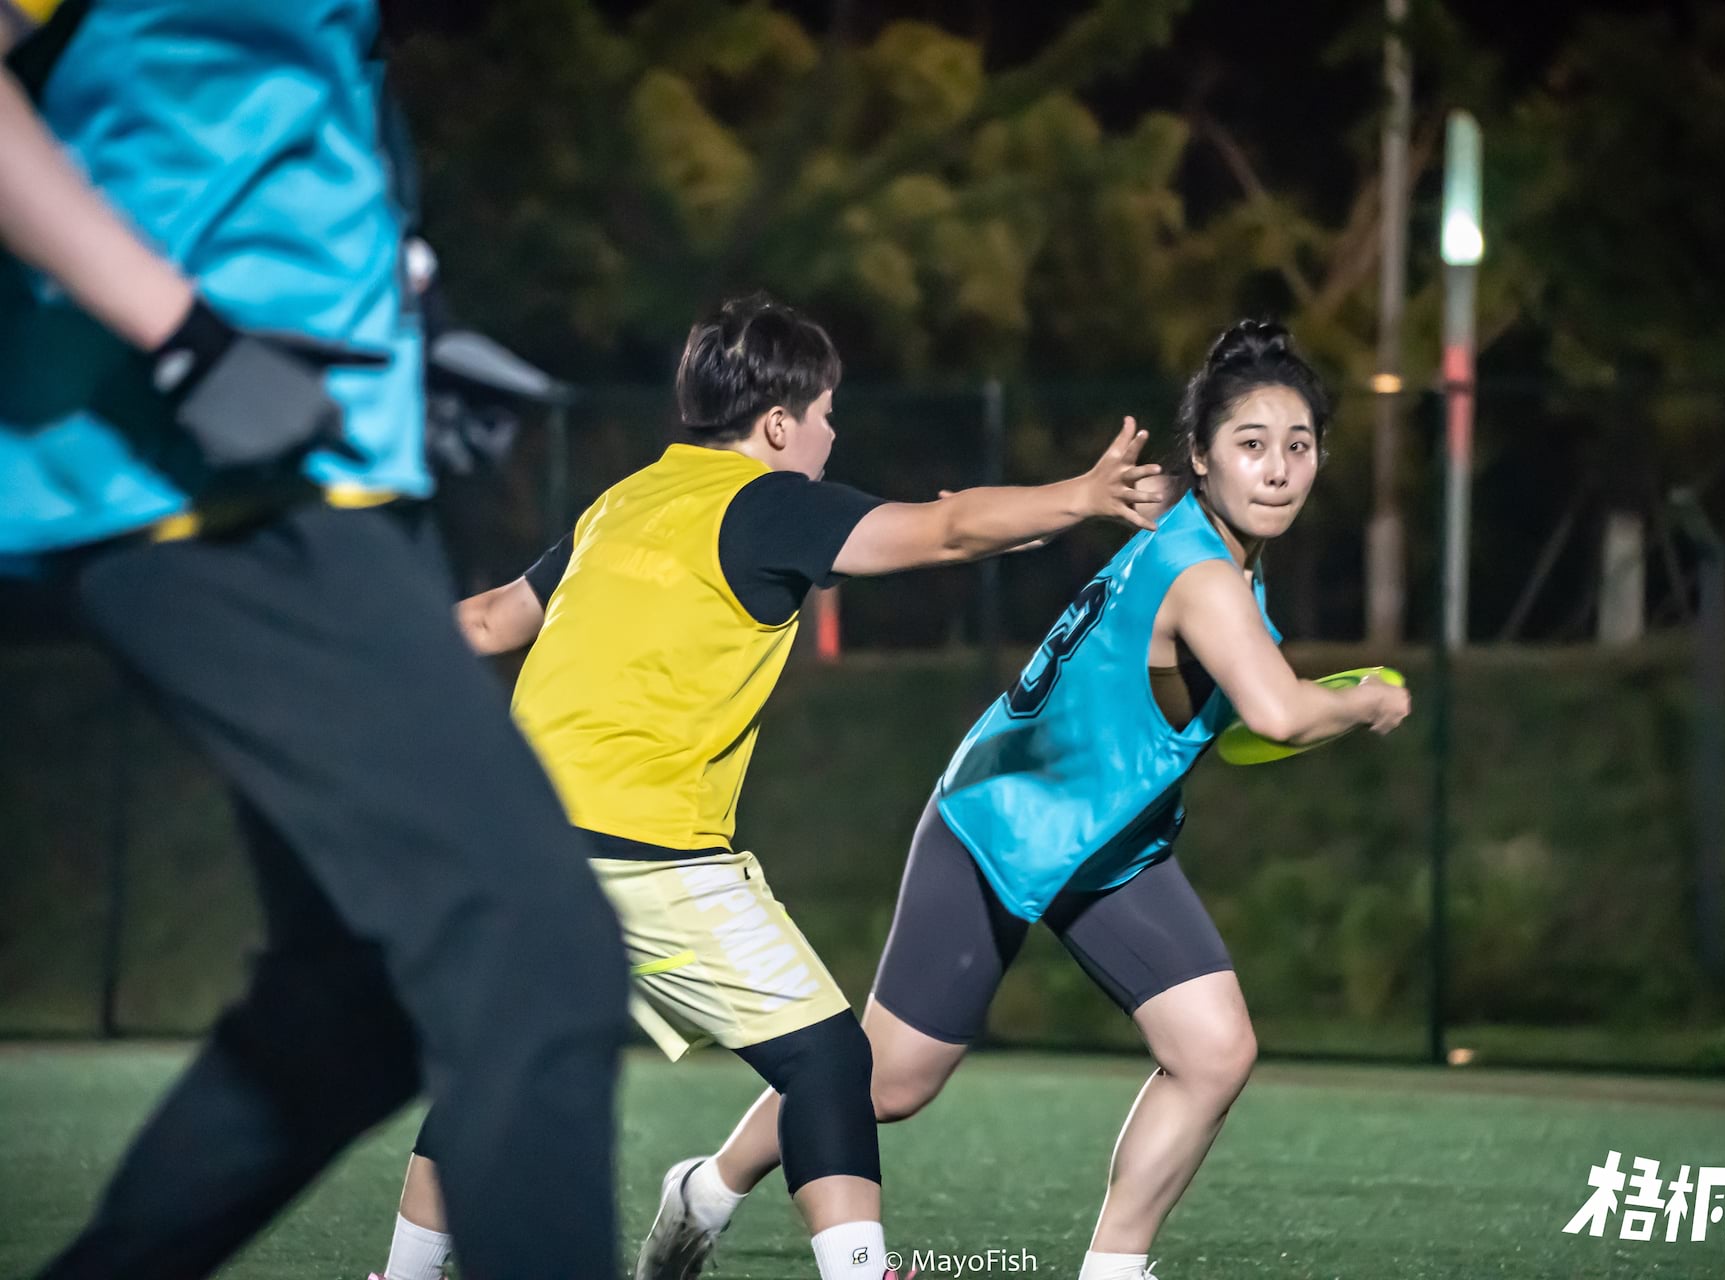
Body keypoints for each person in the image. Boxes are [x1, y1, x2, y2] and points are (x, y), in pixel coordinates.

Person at [1, 5, 630, 1277]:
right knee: (530, 949)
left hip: (322, 457)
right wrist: (185, 338)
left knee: (358, 997)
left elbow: (268, 111)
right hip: (187, 468)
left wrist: (412, 323)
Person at [374, 292, 1165, 1280]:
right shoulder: (770, 503)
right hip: (645, 854)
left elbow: (493, 619)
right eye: (827, 414)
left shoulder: (625, 500)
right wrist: (1082, 495)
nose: (833, 436)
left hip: (519, 842)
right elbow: (949, 529)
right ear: (780, 424)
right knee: (827, 1059)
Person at [644, 319, 1413, 1280]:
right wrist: (1368, 698)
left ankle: (1113, 1270)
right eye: (1251, 444)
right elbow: (1279, 714)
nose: (1278, 470)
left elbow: (1237, 714)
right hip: (997, 827)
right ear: (1204, 457)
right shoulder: (1206, 576)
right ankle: (706, 1190)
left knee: (1214, 1051)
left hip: (1109, 846)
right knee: (889, 1083)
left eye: (1298, 446)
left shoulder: (1194, 537)